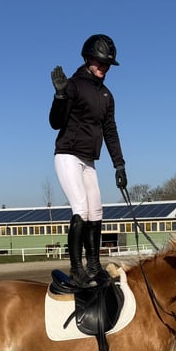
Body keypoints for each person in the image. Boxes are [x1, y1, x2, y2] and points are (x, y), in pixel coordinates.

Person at [49, 34, 128, 287]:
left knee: (96, 210)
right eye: (99, 62)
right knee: (81, 208)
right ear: (87, 59)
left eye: (107, 64)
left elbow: (110, 130)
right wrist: (60, 97)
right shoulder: (72, 85)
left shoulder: (107, 95)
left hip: (88, 160)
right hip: (67, 155)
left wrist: (119, 164)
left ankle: (94, 267)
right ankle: (76, 269)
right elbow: (55, 123)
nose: (103, 67)